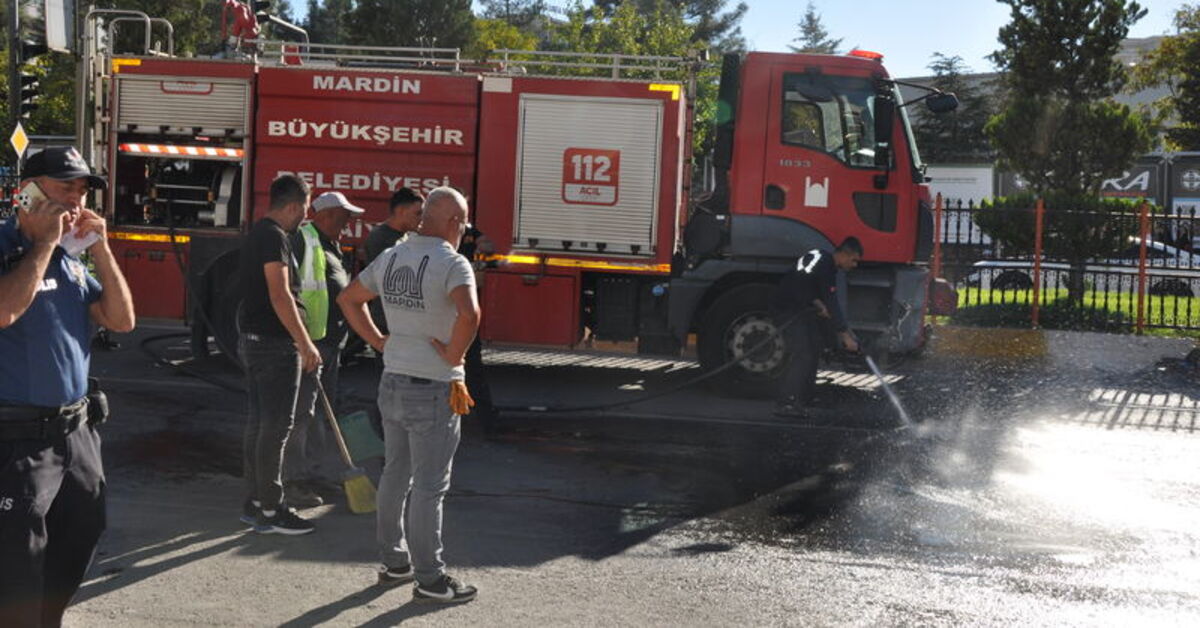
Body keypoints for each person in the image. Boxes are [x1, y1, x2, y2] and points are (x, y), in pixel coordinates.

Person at [0, 147, 135, 626]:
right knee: (17, 563)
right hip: (18, 440)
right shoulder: (8, 247)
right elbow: (6, 310)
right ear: (28, 194)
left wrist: (99, 246)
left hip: (76, 437)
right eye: (64, 189)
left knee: (80, 535)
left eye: (81, 190)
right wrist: (41, 244)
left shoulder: (72, 259)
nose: (76, 201)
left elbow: (121, 320)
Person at [338, 186, 480, 603]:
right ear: (453, 223)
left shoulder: (393, 256)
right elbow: (470, 315)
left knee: (396, 473)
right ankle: (431, 580)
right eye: (464, 223)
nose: (464, 231)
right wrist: (453, 354)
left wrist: (380, 341)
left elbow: (349, 299)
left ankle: (394, 562)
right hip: (433, 387)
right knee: (429, 486)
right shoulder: (452, 264)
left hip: (393, 380)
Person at [237, 174, 321, 535]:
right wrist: (304, 342)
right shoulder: (275, 237)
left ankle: (256, 501)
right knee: (276, 428)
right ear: (292, 206)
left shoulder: (259, 232)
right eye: (304, 207)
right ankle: (271, 510)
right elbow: (280, 294)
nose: (305, 215)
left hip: (255, 341)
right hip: (274, 345)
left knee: (259, 423)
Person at [282, 191, 363, 508]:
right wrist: (302, 342)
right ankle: (293, 481)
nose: (348, 224)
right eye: (345, 218)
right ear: (327, 215)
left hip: (330, 343)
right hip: (312, 343)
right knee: (302, 414)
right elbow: (288, 292)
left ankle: (310, 473)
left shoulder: (330, 244)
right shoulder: (304, 240)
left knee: (318, 415)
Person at [772, 237, 863, 418]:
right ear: (845, 254)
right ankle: (786, 402)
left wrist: (816, 302)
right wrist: (845, 335)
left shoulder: (820, 258)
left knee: (814, 348)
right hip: (789, 311)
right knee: (803, 353)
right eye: (854, 260)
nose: (854, 265)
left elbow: (804, 282)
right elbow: (831, 301)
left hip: (799, 308)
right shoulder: (826, 265)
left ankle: (804, 398)